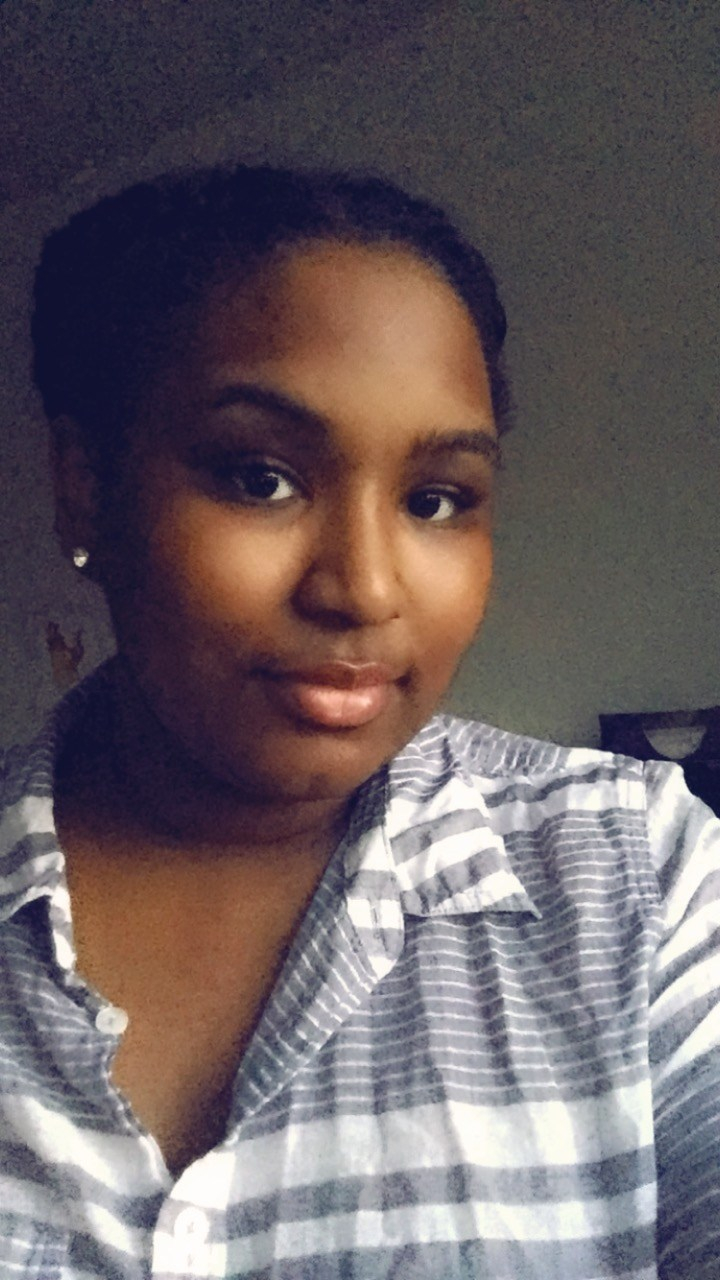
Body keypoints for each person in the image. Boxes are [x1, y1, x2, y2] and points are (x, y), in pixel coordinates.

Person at [0, 162, 717, 1280]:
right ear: (85, 483)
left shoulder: (641, 873)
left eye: (436, 499)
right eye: (261, 478)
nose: (366, 589)